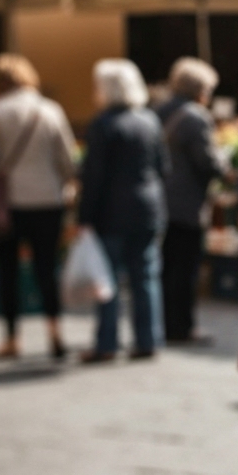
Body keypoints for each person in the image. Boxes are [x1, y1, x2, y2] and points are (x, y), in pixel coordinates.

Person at [0, 54, 76, 360]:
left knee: (8, 270)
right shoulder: (50, 110)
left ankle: (13, 338)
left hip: (9, 204)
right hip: (49, 200)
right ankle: (55, 333)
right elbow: (66, 159)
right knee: (46, 268)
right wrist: (71, 189)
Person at [77, 59, 170, 363]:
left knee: (109, 279)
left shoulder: (103, 124)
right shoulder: (149, 120)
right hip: (148, 207)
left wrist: (84, 218)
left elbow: (93, 177)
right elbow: (162, 167)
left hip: (112, 212)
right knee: (145, 277)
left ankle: (106, 343)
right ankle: (148, 340)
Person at [159, 58, 229, 345]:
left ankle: (164, 324)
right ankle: (183, 327)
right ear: (200, 89)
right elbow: (208, 162)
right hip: (187, 202)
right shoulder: (196, 117)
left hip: (162, 198)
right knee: (186, 268)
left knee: (167, 266)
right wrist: (224, 159)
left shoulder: (159, 110)